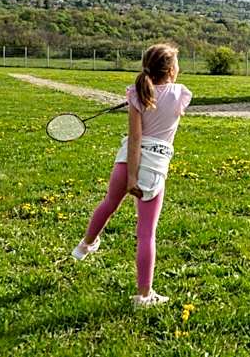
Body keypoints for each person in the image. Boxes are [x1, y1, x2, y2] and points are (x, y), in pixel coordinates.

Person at [72, 43, 192, 308]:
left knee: (108, 205)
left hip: (126, 162)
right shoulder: (180, 93)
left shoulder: (137, 93)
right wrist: (135, 179)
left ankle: (84, 246)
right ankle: (144, 295)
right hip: (153, 169)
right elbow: (167, 110)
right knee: (147, 232)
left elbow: (136, 138)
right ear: (172, 70)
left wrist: (129, 176)